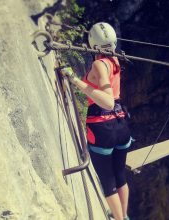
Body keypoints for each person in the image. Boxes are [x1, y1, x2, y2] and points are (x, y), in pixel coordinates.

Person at [61, 22, 132, 220]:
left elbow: (108, 102)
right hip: (122, 124)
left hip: (103, 127)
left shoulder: (99, 64)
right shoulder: (115, 59)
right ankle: (124, 215)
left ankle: (118, 219)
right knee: (120, 176)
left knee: (107, 180)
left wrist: (74, 79)